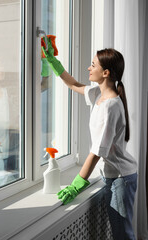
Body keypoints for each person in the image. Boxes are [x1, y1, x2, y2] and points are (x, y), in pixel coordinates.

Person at [42, 37, 138, 240]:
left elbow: (96, 152)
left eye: (93, 65)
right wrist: (52, 61)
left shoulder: (111, 106)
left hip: (121, 179)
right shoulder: (98, 94)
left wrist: (77, 184)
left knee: (122, 234)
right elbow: (74, 84)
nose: (88, 68)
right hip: (114, 176)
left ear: (106, 73)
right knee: (119, 231)